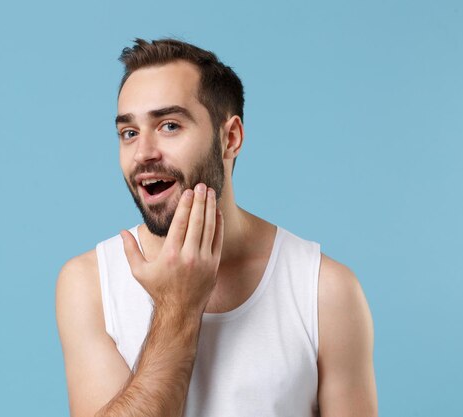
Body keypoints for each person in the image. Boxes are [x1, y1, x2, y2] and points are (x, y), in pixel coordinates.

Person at [56, 38, 377, 417]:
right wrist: (178, 307)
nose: (143, 153)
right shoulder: (90, 284)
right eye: (129, 133)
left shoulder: (324, 291)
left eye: (169, 126)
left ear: (230, 138)